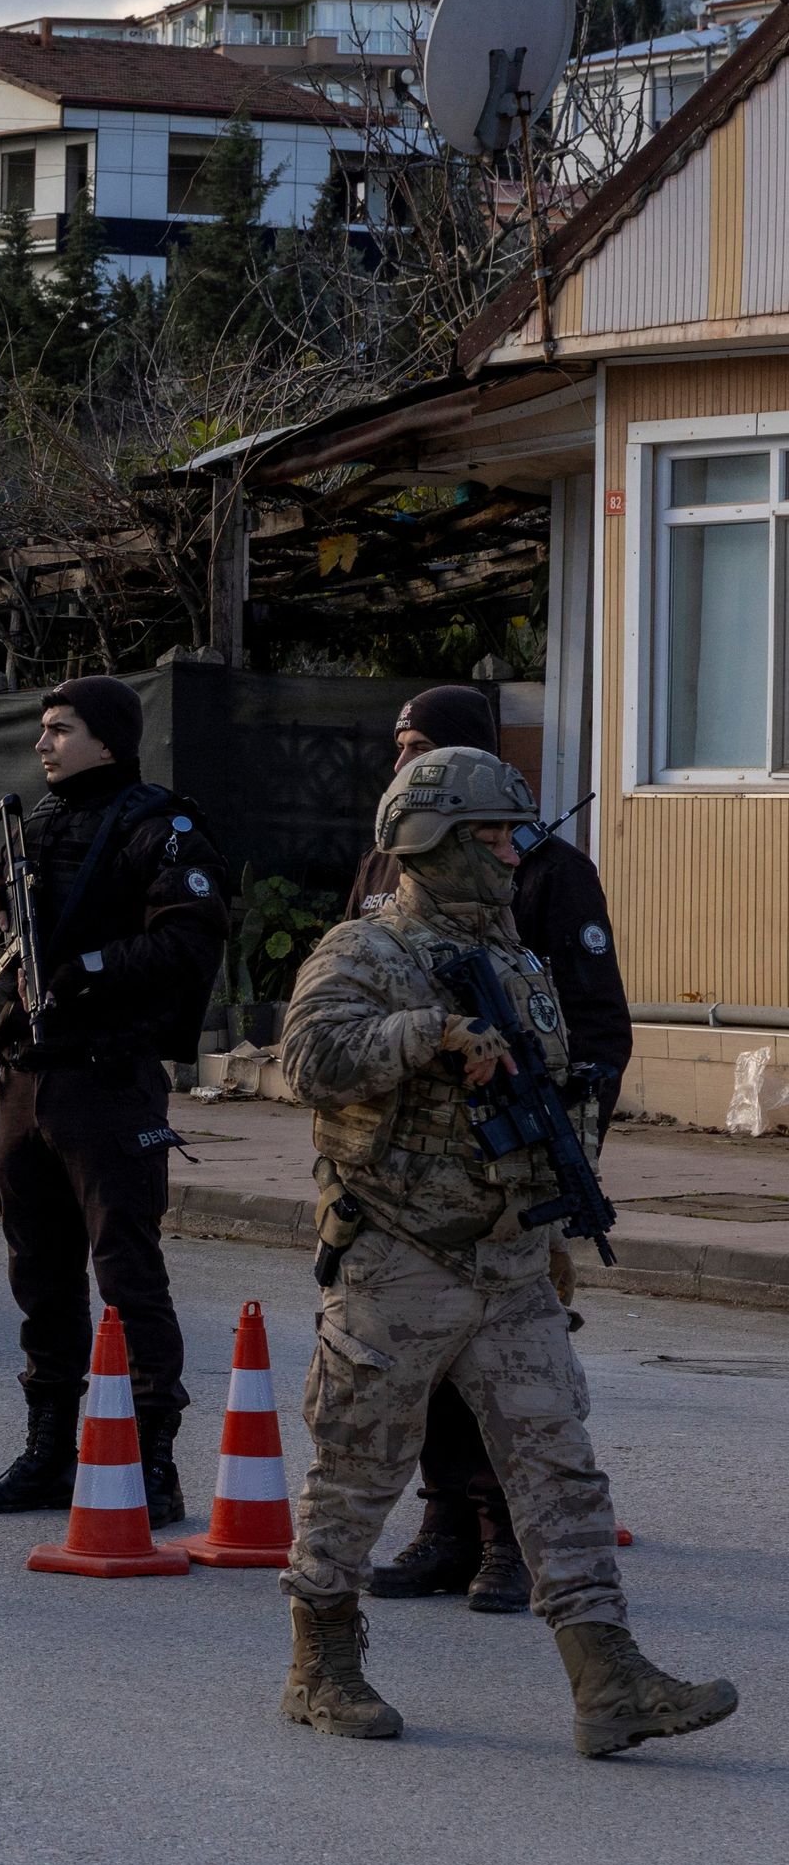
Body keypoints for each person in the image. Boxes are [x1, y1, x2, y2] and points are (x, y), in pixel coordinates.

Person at [274, 747, 737, 1757]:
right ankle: (322, 1663)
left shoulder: (520, 960)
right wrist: (427, 1037)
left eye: (511, 833)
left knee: (559, 1465)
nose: (509, 851)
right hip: (397, 1255)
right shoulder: (366, 952)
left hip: (507, 1263)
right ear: (433, 844)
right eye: (490, 835)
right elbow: (306, 1060)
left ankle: (606, 1676)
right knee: (359, 1468)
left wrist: (556, 1208)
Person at [342, 688, 631, 1614]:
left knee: (517, 1376)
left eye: (418, 747)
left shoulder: (546, 871)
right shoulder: (390, 865)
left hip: (514, 1174)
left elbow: (595, 1033)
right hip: (408, 1180)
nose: (399, 765)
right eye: (397, 748)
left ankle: (509, 1543)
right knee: (418, 1367)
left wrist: (563, 1154)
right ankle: (444, 1528)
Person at [0, 677, 228, 1525]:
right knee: (40, 1277)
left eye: (59, 730)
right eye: (42, 730)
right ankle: (49, 1452)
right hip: (29, 1081)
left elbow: (188, 939)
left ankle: (153, 1461)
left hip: (109, 1079)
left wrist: (88, 972)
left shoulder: (159, 827)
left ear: (106, 740)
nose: (44, 745)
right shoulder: (34, 824)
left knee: (127, 1275)